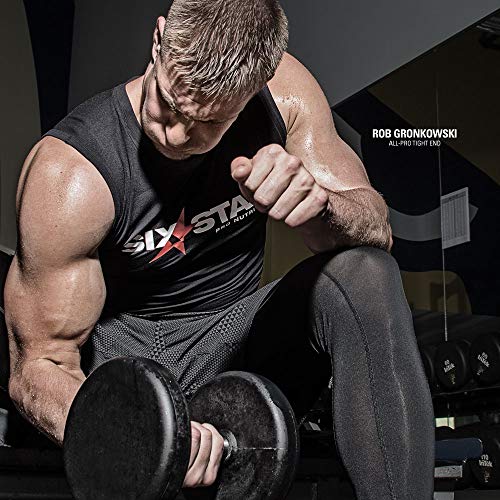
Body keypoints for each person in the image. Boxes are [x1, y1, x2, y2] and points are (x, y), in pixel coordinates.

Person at [4, 0, 434, 498]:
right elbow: (38, 367)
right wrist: (136, 430)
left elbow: (377, 227)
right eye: (168, 102)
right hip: (124, 359)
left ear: (254, 90)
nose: (174, 133)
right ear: (159, 40)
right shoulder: (71, 173)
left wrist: (320, 205)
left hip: (231, 346)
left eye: (207, 123)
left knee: (365, 272)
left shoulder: (285, 98)